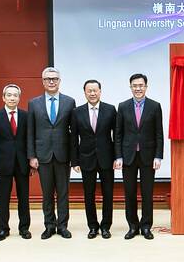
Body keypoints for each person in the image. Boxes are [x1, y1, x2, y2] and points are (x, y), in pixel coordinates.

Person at [27, 67, 76, 239]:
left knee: (63, 193)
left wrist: (74, 157)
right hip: (43, 155)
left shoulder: (70, 102)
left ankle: (63, 226)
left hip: (63, 155)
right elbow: (30, 132)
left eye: (55, 78)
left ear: (59, 81)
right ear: (43, 81)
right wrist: (32, 156)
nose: (51, 81)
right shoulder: (34, 103)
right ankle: (49, 226)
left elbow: (73, 132)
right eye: (48, 79)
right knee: (47, 194)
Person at [115, 73, 163, 240]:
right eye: (135, 86)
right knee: (129, 193)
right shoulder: (122, 106)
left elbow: (159, 134)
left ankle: (146, 227)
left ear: (146, 87)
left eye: (141, 85)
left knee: (147, 193)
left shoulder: (155, 106)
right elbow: (118, 134)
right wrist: (118, 156)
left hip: (148, 157)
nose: (138, 88)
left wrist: (158, 156)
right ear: (130, 87)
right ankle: (133, 226)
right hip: (128, 157)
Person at [71, 79, 117, 239]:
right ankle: (92, 226)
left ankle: (106, 226)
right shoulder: (77, 112)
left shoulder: (110, 110)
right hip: (86, 159)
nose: (92, 93)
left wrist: (117, 157)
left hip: (107, 159)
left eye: (95, 90)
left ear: (100, 92)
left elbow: (116, 136)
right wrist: (74, 161)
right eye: (89, 90)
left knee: (108, 194)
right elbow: (73, 138)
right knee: (88, 195)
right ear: (84, 92)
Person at [0, 84, 31, 241]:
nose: (12, 98)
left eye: (15, 95)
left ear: (19, 98)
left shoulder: (26, 116)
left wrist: (31, 161)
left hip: (22, 164)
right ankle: (3, 229)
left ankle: (24, 228)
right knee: (3, 199)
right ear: (3, 97)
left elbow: (29, 141)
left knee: (24, 198)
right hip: (3, 165)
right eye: (9, 95)